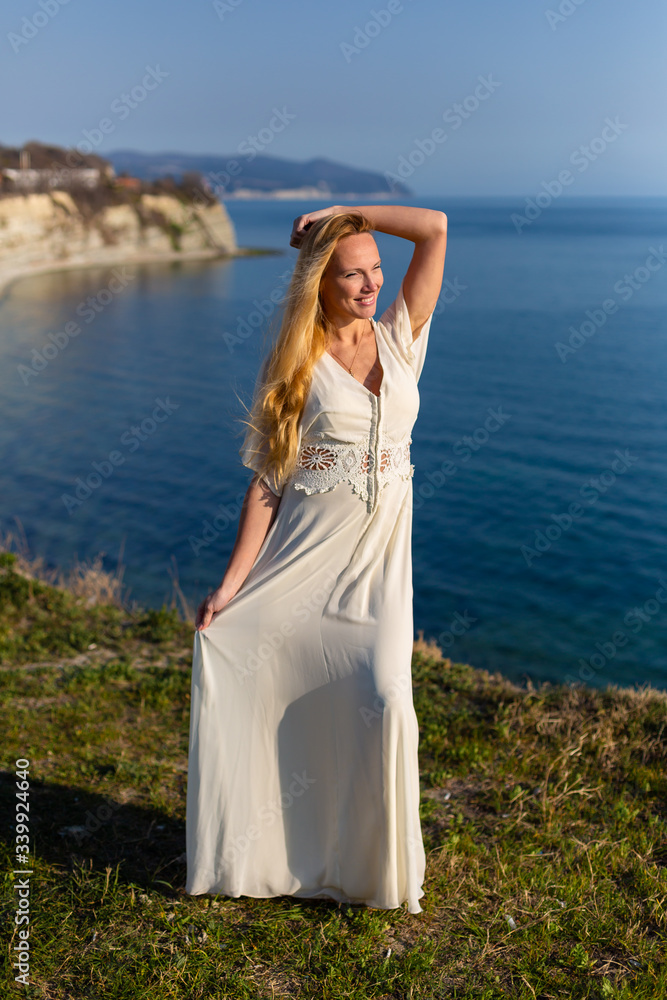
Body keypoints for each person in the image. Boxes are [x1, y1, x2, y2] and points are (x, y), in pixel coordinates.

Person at [186, 204, 448, 914]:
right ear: (319, 283)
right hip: (303, 567)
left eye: (375, 271)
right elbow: (269, 482)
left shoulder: (401, 338)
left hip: (377, 572)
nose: (369, 286)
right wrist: (229, 586)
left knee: (385, 701)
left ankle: (367, 872)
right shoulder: (295, 362)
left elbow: (434, 227)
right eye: (351, 274)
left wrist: (346, 216)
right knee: (269, 681)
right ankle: (281, 855)